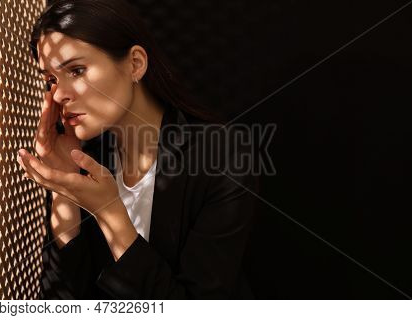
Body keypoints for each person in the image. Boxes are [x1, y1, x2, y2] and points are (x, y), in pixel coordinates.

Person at [17, 0, 260, 299]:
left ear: (135, 64)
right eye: (51, 80)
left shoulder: (222, 155)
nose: (61, 94)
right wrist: (64, 189)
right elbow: (66, 301)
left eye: (77, 70)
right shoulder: (88, 160)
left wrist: (111, 212)